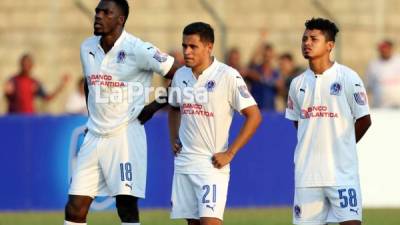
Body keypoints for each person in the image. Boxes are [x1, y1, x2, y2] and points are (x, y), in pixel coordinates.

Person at [63, 1, 174, 225]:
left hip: (124, 136)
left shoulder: (138, 49)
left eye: (106, 12)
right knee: (75, 208)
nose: (98, 16)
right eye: (97, 11)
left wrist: (153, 107)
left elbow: (179, 74)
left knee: (126, 206)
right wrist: (92, 114)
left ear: (120, 19)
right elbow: (89, 83)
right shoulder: (87, 47)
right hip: (94, 136)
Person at [168, 22, 262, 225]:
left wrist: (230, 153)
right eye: (184, 46)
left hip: (211, 165)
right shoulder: (180, 75)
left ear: (209, 46)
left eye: (193, 46)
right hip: (185, 163)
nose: (187, 51)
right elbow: (174, 108)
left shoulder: (227, 75)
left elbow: (254, 116)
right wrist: (174, 137)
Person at [285, 18, 371, 225]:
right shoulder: (297, 84)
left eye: (314, 39)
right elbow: (298, 123)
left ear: (330, 45)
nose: (307, 43)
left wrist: (344, 144)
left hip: (341, 174)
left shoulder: (348, 77)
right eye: (304, 38)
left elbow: (364, 120)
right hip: (307, 176)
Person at [4, 53, 69, 113]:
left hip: (29, 118)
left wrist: (61, 85)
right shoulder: (13, 80)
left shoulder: (34, 82)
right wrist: (8, 93)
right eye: (24, 64)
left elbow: (47, 97)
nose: (25, 66)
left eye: (28, 64)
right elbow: (7, 96)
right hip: (14, 118)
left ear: (32, 65)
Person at [365, 39, 400, 108]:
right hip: (381, 106)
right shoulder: (373, 65)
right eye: (382, 49)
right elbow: (368, 86)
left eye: (386, 48)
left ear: (391, 48)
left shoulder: (398, 61)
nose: (385, 51)